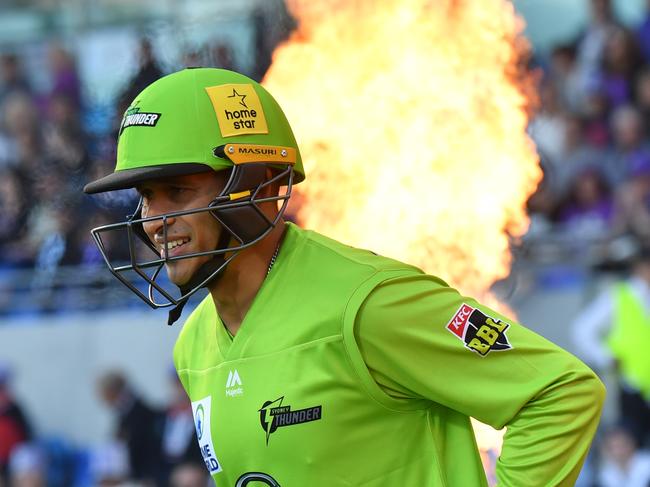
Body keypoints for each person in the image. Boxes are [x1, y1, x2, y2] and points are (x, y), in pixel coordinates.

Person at [84, 68, 605, 486]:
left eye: (177, 193)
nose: (154, 221)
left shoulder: (368, 303)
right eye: (146, 198)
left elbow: (561, 393)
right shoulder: (194, 345)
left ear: (257, 187)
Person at [572, 248, 650, 448]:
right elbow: (582, 329)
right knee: (636, 449)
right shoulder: (620, 295)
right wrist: (607, 357)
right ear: (640, 268)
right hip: (633, 388)